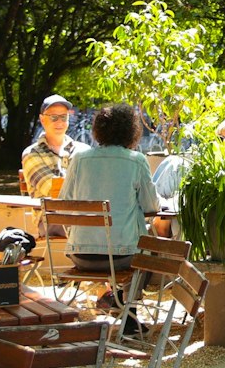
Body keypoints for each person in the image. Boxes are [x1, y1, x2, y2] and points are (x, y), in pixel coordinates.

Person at [59, 103, 158, 285]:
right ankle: (129, 306)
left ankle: (118, 302)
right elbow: (151, 206)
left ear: (98, 130)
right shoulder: (136, 161)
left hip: (80, 254)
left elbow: (63, 202)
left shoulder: (79, 159)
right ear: (132, 131)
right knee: (150, 246)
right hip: (121, 256)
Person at [21, 94, 84, 195]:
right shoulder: (31, 154)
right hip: (50, 211)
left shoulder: (82, 150)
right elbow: (55, 191)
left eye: (64, 117)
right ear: (42, 119)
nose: (59, 122)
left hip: (83, 210)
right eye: (53, 117)